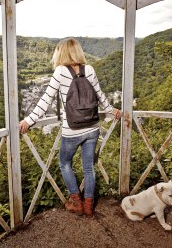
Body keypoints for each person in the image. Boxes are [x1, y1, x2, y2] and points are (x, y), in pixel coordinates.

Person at [19, 38, 121, 217]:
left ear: (62, 53)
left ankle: (77, 204)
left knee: (65, 163)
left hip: (71, 130)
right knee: (88, 167)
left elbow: (45, 100)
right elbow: (100, 96)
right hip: (92, 127)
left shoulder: (60, 72)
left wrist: (29, 120)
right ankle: (89, 206)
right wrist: (112, 111)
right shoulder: (89, 69)